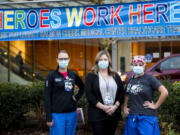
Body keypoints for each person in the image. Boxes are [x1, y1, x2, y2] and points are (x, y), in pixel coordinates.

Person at [123, 55, 168, 135]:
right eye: (135, 64)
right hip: (132, 117)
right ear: (133, 65)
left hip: (147, 118)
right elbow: (126, 94)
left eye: (140, 65)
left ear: (144, 65)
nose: (138, 67)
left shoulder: (150, 78)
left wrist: (156, 105)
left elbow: (164, 92)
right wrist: (125, 106)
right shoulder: (130, 80)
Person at [44, 50, 84, 135]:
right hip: (57, 115)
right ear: (57, 60)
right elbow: (47, 96)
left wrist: (76, 97)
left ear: (69, 59)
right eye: (61, 59)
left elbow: (83, 88)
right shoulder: (52, 76)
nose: (63, 61)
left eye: (65, 58)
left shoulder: (73, 75)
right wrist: (48, 117)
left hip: (71, 114)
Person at [84, 50, 124, 135]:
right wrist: (103, 107)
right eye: (101, 60)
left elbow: (121, 93)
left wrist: (115, 106)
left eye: (105, 59)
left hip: (113, 113)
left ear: (109, 61)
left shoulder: (115, 75)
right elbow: (89, 94)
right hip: (97, 114)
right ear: (97, 61)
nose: (103, 61)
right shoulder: (91, 76)